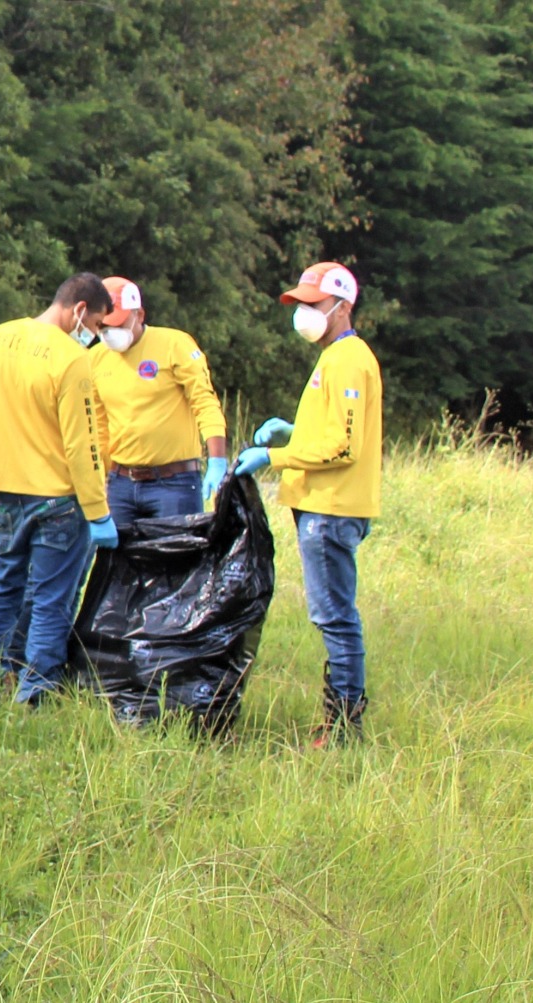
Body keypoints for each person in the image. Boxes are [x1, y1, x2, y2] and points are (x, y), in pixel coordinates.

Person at [0, 273, 120, 711]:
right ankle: (36, 693)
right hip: (59, 502)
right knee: (51, 599)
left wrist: (18, 428)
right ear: (80, 310)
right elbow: (82, 447)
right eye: (99, 326)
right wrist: (98, 512)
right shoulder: (71, 359)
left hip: (6, 494)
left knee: (4, 588)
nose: (98, 336)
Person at [234, 261, 382, 746]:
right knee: (333, 615)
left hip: (332, 509)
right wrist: (293, 432)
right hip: (323, 505)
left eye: (313, 304)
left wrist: (273, 456)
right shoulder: (336, 357)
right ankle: (341, 720)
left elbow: (343, 447)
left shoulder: (348, 359)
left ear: (343, 307)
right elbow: (332, 433)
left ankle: (342, 727)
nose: (303, 313)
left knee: (335, 617)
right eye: (300, 304)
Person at [89, 276, 228, 524]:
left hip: (174, 483)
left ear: (139, 315)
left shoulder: (174, 344)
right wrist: (99, 480)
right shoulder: (96, 358)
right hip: (120, 483)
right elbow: (99, 426)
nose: (109, 333)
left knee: (175, 559)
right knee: (120, 562)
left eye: (117, 324)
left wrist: (217, 459)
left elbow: (204, 402)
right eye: (102, 326)